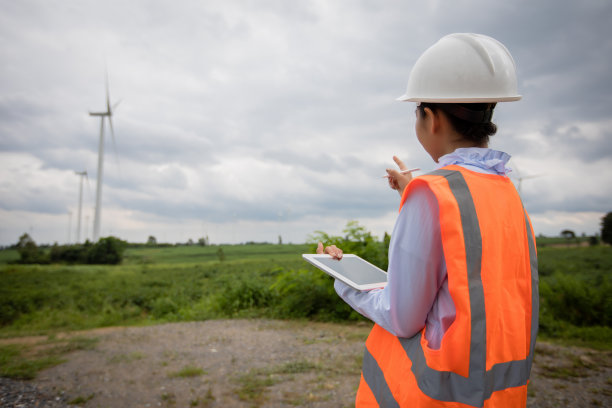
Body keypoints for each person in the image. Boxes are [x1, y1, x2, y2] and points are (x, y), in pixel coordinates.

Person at [317, 33, 538, 407]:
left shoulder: (431, 194)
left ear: (431, 118)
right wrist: (413, 195)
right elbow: (464, 267)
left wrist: (345, 284)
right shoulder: (506, 189)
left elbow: (402, 317)